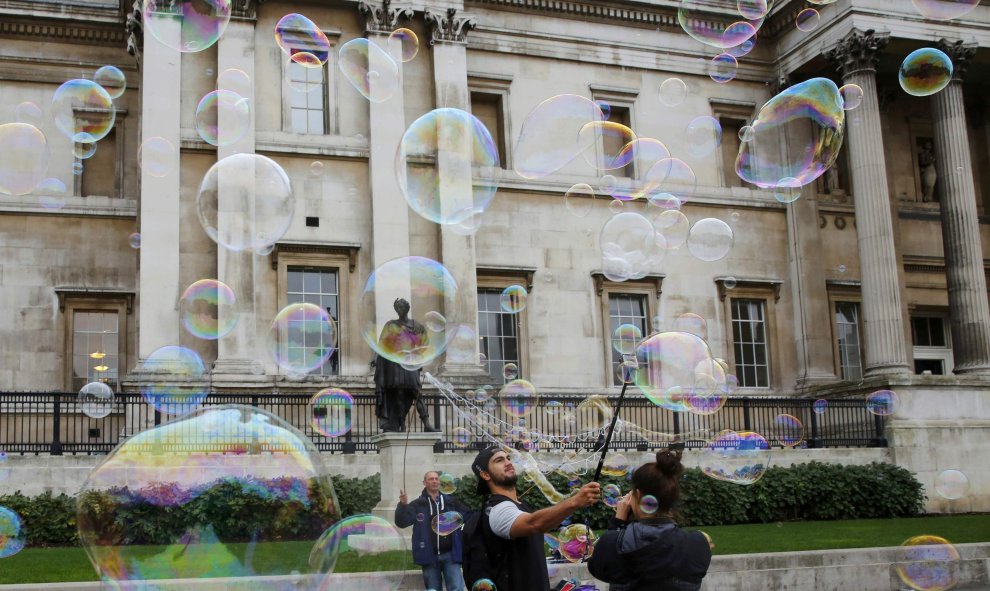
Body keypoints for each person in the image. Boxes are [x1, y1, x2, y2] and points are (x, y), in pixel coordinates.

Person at [467, 446, 601, 591]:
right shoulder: (497, 510)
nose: (508, 462)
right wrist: (575, 501)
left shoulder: (520, 505)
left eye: (508, 458)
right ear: (485, 475)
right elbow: (534, 523)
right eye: (499, 460)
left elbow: (543, 523)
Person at [588, 449, 712, 591]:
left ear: (638, 495)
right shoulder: (698, 544)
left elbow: (597, 568)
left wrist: (618, 522)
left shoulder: (613, 542)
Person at [395, 470, 471, 591]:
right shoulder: (417, 504)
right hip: (428, 556)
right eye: (431, 479)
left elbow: (467, 516)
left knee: (456, 588)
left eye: (436, 478)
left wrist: (458, 527)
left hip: (450, 555)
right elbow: (402, 522)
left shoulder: (451, 502)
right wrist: (403, 506)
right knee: (433, 588)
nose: (434, 481)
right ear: (424, 483)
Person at [373, 298, 438, 432]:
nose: (399, 310)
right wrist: (376, 358)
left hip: (410, 364)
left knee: (417, 392)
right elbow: (381, 345)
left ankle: (426, 423)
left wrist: (416, 354)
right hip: (395, 364)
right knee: (399, 394)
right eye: (397, 308)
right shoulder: (390, 325)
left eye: (401, 307)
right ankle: (401, 424)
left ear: (407, 308)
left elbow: (425, 343)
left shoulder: (417, 326)